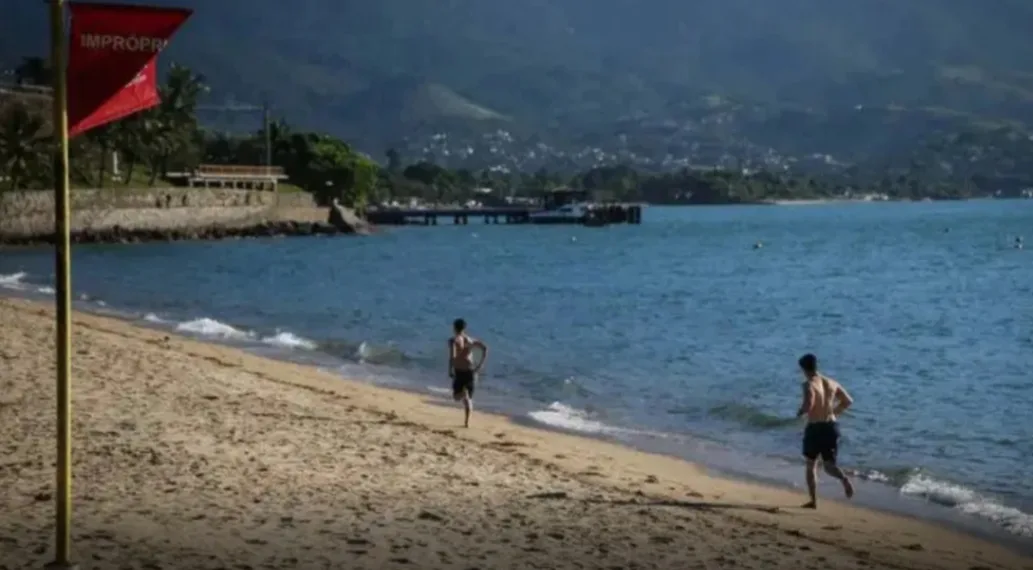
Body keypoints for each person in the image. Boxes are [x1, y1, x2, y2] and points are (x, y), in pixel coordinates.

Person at [796, 353, 855, 508]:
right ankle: (844, 479)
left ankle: (814, 501)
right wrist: (834, 413)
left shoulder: (808, 384)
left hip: (815, 428)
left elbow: (809, 403)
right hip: (831, 427)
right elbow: (848, 401)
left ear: (803, 369)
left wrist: (801, 411)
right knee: (829, 466)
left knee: (811, 465)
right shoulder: (831, 382)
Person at [448, 318, 487, 428]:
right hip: (471, 371)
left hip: (460, 371)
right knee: (469, 399)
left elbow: (452, 357)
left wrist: (450, 370)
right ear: (464, 328)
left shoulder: (454, 340)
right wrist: (480, 365)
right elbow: (484, 348)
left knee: (456, 397)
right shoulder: (470, 340)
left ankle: (463, 395)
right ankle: (467, 422)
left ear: (454, 328)